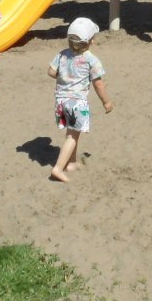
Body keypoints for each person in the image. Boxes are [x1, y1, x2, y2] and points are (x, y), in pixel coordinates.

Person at [47, 17, 113, 182]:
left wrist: (64, 76)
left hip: (61, 101)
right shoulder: (92, 60)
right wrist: (106, 102)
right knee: (72, 136)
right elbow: (98, 84)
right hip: (77, 102)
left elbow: (51, 72)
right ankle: (58, 168)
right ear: (91, 41)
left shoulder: (62, 54)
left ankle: (71, 163)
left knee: (72, 132)